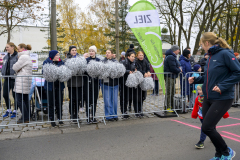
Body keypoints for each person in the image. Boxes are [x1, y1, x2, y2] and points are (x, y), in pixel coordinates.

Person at [189, 32, 239, 159]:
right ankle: (219, 155)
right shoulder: (210, 56)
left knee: (207, 127)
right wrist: (196, 80)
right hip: (208, 97)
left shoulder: (225, 53)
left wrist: (222, 86)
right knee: (208, 127)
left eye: (201, 45)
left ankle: (227, 152)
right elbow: (208, 77)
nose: (201, 47)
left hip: (223, 97)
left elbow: (238, 72)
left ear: (207, 43)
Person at [191, 84, 229, 149]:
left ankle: (201, 142)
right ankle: (214, 137)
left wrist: (225, 114)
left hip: (209, 115)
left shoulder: (210, 98)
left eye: (200, 90)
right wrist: (194, 114)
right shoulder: (198, 98)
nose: (199, 91)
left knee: (204, 127)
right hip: (201, 115)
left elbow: (219, 106)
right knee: (211, 127)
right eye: (198, 90)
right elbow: (195, 107)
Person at [43, 50, 65, 127]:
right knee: (51, 103)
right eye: (57, 55)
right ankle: (52, 119)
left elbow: (64, 71)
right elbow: (44, 72)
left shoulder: (61, 62)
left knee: (59, 103)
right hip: (50, 86)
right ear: (52, 56)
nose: (58, 56)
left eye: (59, 55)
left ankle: (60, 118)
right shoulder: (46, 62)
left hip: (59, 85)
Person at [12, 43, 32, 123]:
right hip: (26, 80)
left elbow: (14, 67)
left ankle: (25, 117)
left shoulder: (23, 57)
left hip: (22, 80)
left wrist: (17, 70)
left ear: (23, 49)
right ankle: (28, 116)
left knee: (19, 99)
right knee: (26, 99)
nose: (17, 50)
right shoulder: (27, 56)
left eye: (18, 49)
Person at [65, 46, 84, 123]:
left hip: (79, 82)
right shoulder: (67, 59)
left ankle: (76, 114)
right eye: (72, 50)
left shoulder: (80, 59)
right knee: (72, 99)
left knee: (78, 99)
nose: (74, 51)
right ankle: (72, 115)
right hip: (71, 83)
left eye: (75, 50)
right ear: (70, 51)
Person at [84, 45, 100, 124]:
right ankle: (88, 117)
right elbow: (83, 71)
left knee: (94, 100)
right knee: (88, 100)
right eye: (90, 51)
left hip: (96, 83)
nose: (91, 52)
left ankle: (93, 116)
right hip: (87, 83)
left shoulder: (98, 60)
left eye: (92, 51)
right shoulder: (86, 60)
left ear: (95, 52)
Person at [101, 49, 119, 121]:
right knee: (107, 100)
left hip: (115, 84)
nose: (107, 54)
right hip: (106, 84)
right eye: (106, 53)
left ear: (112, 54)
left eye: (109, 53)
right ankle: (109, 116)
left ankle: (114, 114)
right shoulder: (103, 62)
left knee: (114, 100)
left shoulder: (116, 62)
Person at [2, 42, 18, 119]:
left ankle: (15, 111)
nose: (6, 48)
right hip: (6, 78)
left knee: (15, 95)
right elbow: (4, 66)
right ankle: (8, 110)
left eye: (7, 47)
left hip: (14, 79)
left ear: (12, 47)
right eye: (6, 47)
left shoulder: (17, 56)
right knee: (5, 94)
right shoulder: (6, 56)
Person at [164, 45, 181, 111]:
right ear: (175, 50)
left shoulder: (172, 56)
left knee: (172, 91)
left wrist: (178, 68)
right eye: (178, 50)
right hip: (169, 76)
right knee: (169, 91)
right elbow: (173, 68)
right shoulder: (170, 57)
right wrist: (179, 70)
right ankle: (168, 106)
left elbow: (178, 65)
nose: (179, 51)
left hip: (172, 76)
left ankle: (171, 105)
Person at [134, 51, 151, 117]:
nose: (141, 56)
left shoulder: (145, 61)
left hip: (144, 81)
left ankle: (140, 109)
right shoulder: (135, 62)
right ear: (137, 56)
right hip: (138, 81)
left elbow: (148, 68)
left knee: (143, 96)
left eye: (142, 55)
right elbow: (137, 70)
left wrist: (148, 72)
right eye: (140, 55)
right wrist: (144, 73)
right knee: (137, 97)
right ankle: (136, 111)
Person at [120, 52, 136, 118]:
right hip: (124, 82)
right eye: (132, 56)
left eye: (134, 57)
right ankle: (123, 111)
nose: (133, 58)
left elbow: (133, 69)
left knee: (127, 97)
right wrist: (128, 71)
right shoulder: (123, 62)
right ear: (128, 57)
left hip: (130, 82)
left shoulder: (133, 63)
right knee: (123, 97)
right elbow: (121, 70)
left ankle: (126, 110)